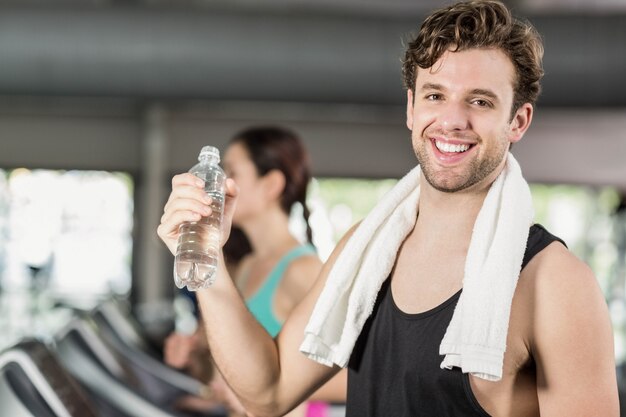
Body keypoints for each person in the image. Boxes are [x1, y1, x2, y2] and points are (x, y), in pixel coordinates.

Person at [158, 1, 619, 416]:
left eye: (480, 101)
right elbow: (270, 390)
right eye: (435, 95)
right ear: (411, 108)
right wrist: (208, 258)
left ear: (517, 120)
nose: (452, 120)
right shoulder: (366, 250)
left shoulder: (555, 283)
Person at [162, 126, 347, 417]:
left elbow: (353, 375)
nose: (220, 182)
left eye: (232, 171)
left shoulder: (303, 270)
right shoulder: (243, 267)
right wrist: (195, 355)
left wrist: (259, 392)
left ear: (271, 184)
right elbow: (226, 373)